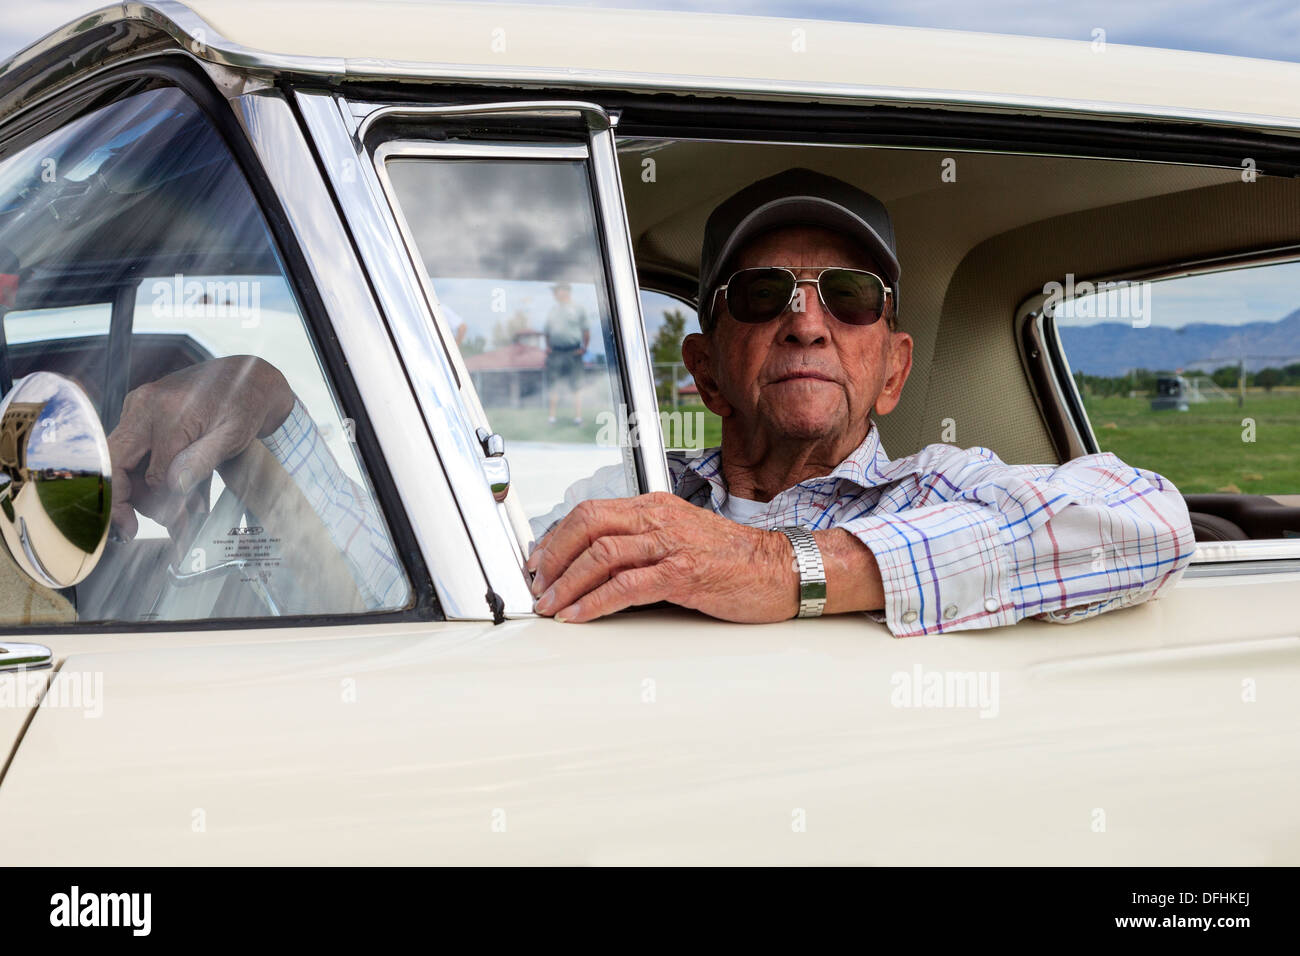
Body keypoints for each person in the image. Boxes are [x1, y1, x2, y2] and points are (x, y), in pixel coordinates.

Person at [106, 169, 1195, 635]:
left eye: (849, 297)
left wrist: (789, 570)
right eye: (763, 295)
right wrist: (270, 411)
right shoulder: (628, 500)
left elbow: (1147, 518)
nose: (808, 321)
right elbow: (441, 600)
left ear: (894, 367)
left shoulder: (935, 486)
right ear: (704, 368)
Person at [543, 281, 589, 426]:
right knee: (553, 384)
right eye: (554, 292)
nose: (555, 294)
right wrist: (548, 347)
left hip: (573, 352)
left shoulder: (578, 309)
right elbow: (547, 331)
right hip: (556, 352)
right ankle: (552, 418)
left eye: (557, 291)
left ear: (565, 292)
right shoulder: (553, 310)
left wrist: (584, 348)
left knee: (577, 385)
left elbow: (586, 330)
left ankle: (578, 418)